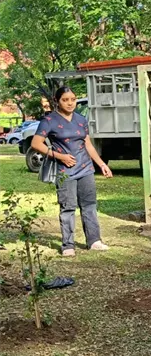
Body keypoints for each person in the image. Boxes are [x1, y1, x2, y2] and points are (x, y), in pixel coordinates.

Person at [31, 86, 112, 256]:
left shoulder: (81, 119)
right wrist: (60, 156)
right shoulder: (49, 121)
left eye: (73, 99)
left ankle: (94, 241)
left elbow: (87, 144)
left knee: (89, 205)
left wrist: (101, 164)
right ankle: (68, 245)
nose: (69, 103)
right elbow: (36, 144)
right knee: (68, 207)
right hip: (65, 171)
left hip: (86, 169)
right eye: (65, 100)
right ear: (57, 101)